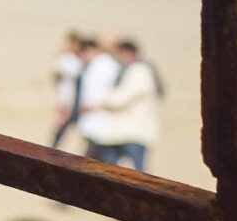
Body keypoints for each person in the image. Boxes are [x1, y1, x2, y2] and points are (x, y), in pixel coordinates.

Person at [81, 38, 161, 172]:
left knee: (137, 174)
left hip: (134, 132)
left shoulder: (139, 71)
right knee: (110, 169)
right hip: (121, 132)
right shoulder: (127, 70)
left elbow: (123, 97)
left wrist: (101, 103)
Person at [50, 31, 93, 149]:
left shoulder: (82, 60)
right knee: (59, 131)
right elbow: (58, 82)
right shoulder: (65, 59)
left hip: (79, 103)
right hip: (66, 101)